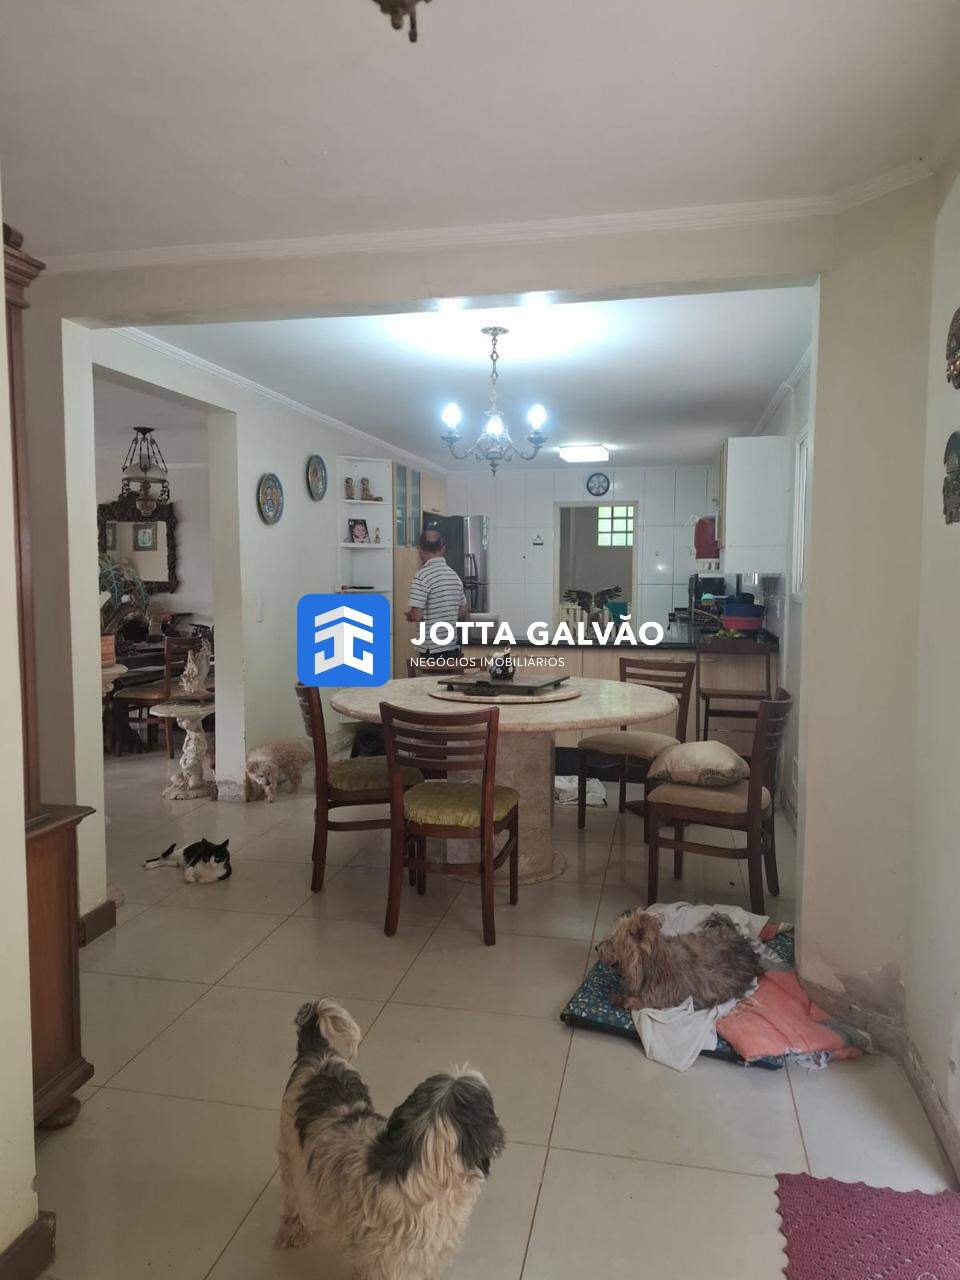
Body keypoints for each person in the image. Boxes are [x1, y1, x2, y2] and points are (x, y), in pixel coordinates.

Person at [405, 529, 469, 665]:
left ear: (419, 549)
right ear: (443, 549)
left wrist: (409, 615)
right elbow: (463, 611)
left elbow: (416, 616)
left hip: (431, 649)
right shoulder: (454, 576)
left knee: (432, 679)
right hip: (452, 646)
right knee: (451, 678)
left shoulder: (422, 576)